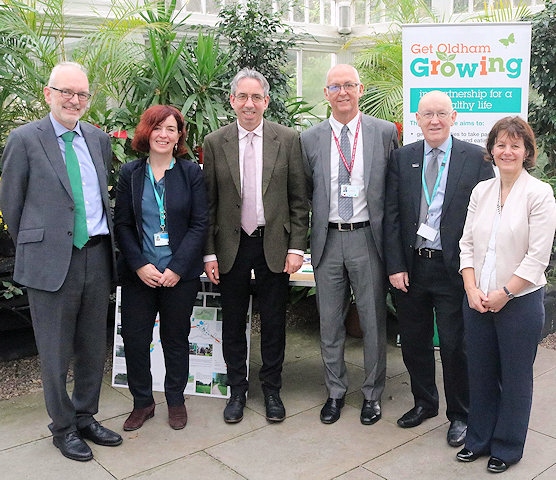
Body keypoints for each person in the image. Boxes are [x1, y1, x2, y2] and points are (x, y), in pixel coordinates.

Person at [0, 62, 122, 461]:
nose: (74, 100)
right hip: (52, 262)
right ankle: (63, 427)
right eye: (66, 92)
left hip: (97, 257)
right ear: (48, 94)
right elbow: (12, 206)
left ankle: (85, 416)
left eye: (82, 94)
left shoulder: (98, 139)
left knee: (92, 345)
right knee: (53, 351)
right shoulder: (24, 139)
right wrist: (38, 249)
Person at [384, 90, 494, 446]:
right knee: (414, 342)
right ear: (417, 119)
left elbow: (485, 219)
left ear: (454, 117)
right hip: (411, 268)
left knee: (454, 345)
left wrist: (474, 271)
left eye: (441, 114)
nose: (434, 120)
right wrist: (396, 264)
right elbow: (393, 216)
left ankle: (459, 414)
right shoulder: (402, 158)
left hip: (453, 269)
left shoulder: (476, 158)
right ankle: (424, 403)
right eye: (427, 114)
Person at [203, 68, 309, 424]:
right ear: (232, 101)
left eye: (256, 97)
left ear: (266, 101)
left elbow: (298, 199)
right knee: (232, 321)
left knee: (275, 320)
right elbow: (209, 203)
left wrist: (297, 247)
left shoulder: (288, 138)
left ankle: (272, 390)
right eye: (242, 97)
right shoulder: (216, 142)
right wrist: (209, 252)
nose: (249, 104)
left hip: (273, 244)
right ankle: (236, 390)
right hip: (231, 245)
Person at [456, 116, 556, 473]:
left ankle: (507, 446)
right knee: (480, 372)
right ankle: (478, 439)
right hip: (477, 299)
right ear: (492, 150)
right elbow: (466, 244)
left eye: (515, 145)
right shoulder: (481, 191)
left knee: (515, 377)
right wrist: (470, 287)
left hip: (520, 303)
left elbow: (537, 257)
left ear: (527, 151)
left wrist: (504, 293)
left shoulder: (539, 193)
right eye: (501, 144)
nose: (507, 151)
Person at [301, 64, 399, 425]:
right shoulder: (309, 138)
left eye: (349, 85)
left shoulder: (384, 133)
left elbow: (392, 193)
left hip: (367, 240)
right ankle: (336, 391)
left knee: (373, 321)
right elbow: (304, 193)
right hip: (328, 240)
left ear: (360, 89)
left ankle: (372, 394)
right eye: (335, 86)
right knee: (329, 323)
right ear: (325, 94)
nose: (342, 92)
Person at [114, 105, 208, 431]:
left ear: (179, 135)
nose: (164, 135)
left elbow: (199, 224)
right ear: (147, 132)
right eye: (158, 128)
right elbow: (122, 225)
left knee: (176, 339)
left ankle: (176, 400)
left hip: (177, 276)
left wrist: (179, 268)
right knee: (136, 340)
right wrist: (139, 265)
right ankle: (143, 402)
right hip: (140, 275)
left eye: (171, 129)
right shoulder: (130, 174)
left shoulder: (191, 173)